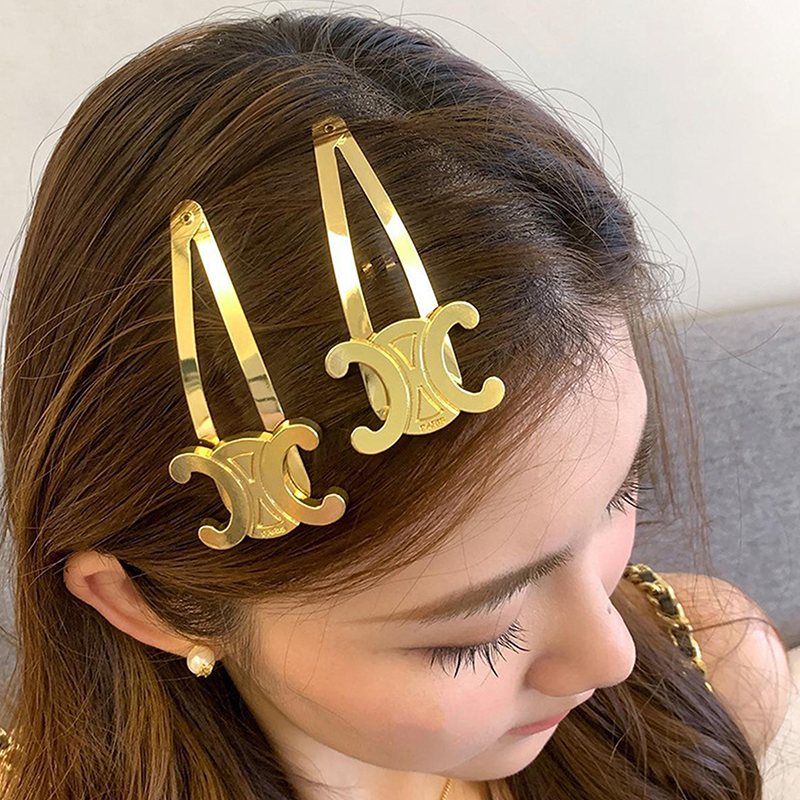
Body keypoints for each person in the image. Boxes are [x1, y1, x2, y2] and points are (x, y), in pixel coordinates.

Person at [0, 10, 789, 800]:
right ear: (147, 605)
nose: (612, 657)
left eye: (617, 494)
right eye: (471, 638)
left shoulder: (714, 671)